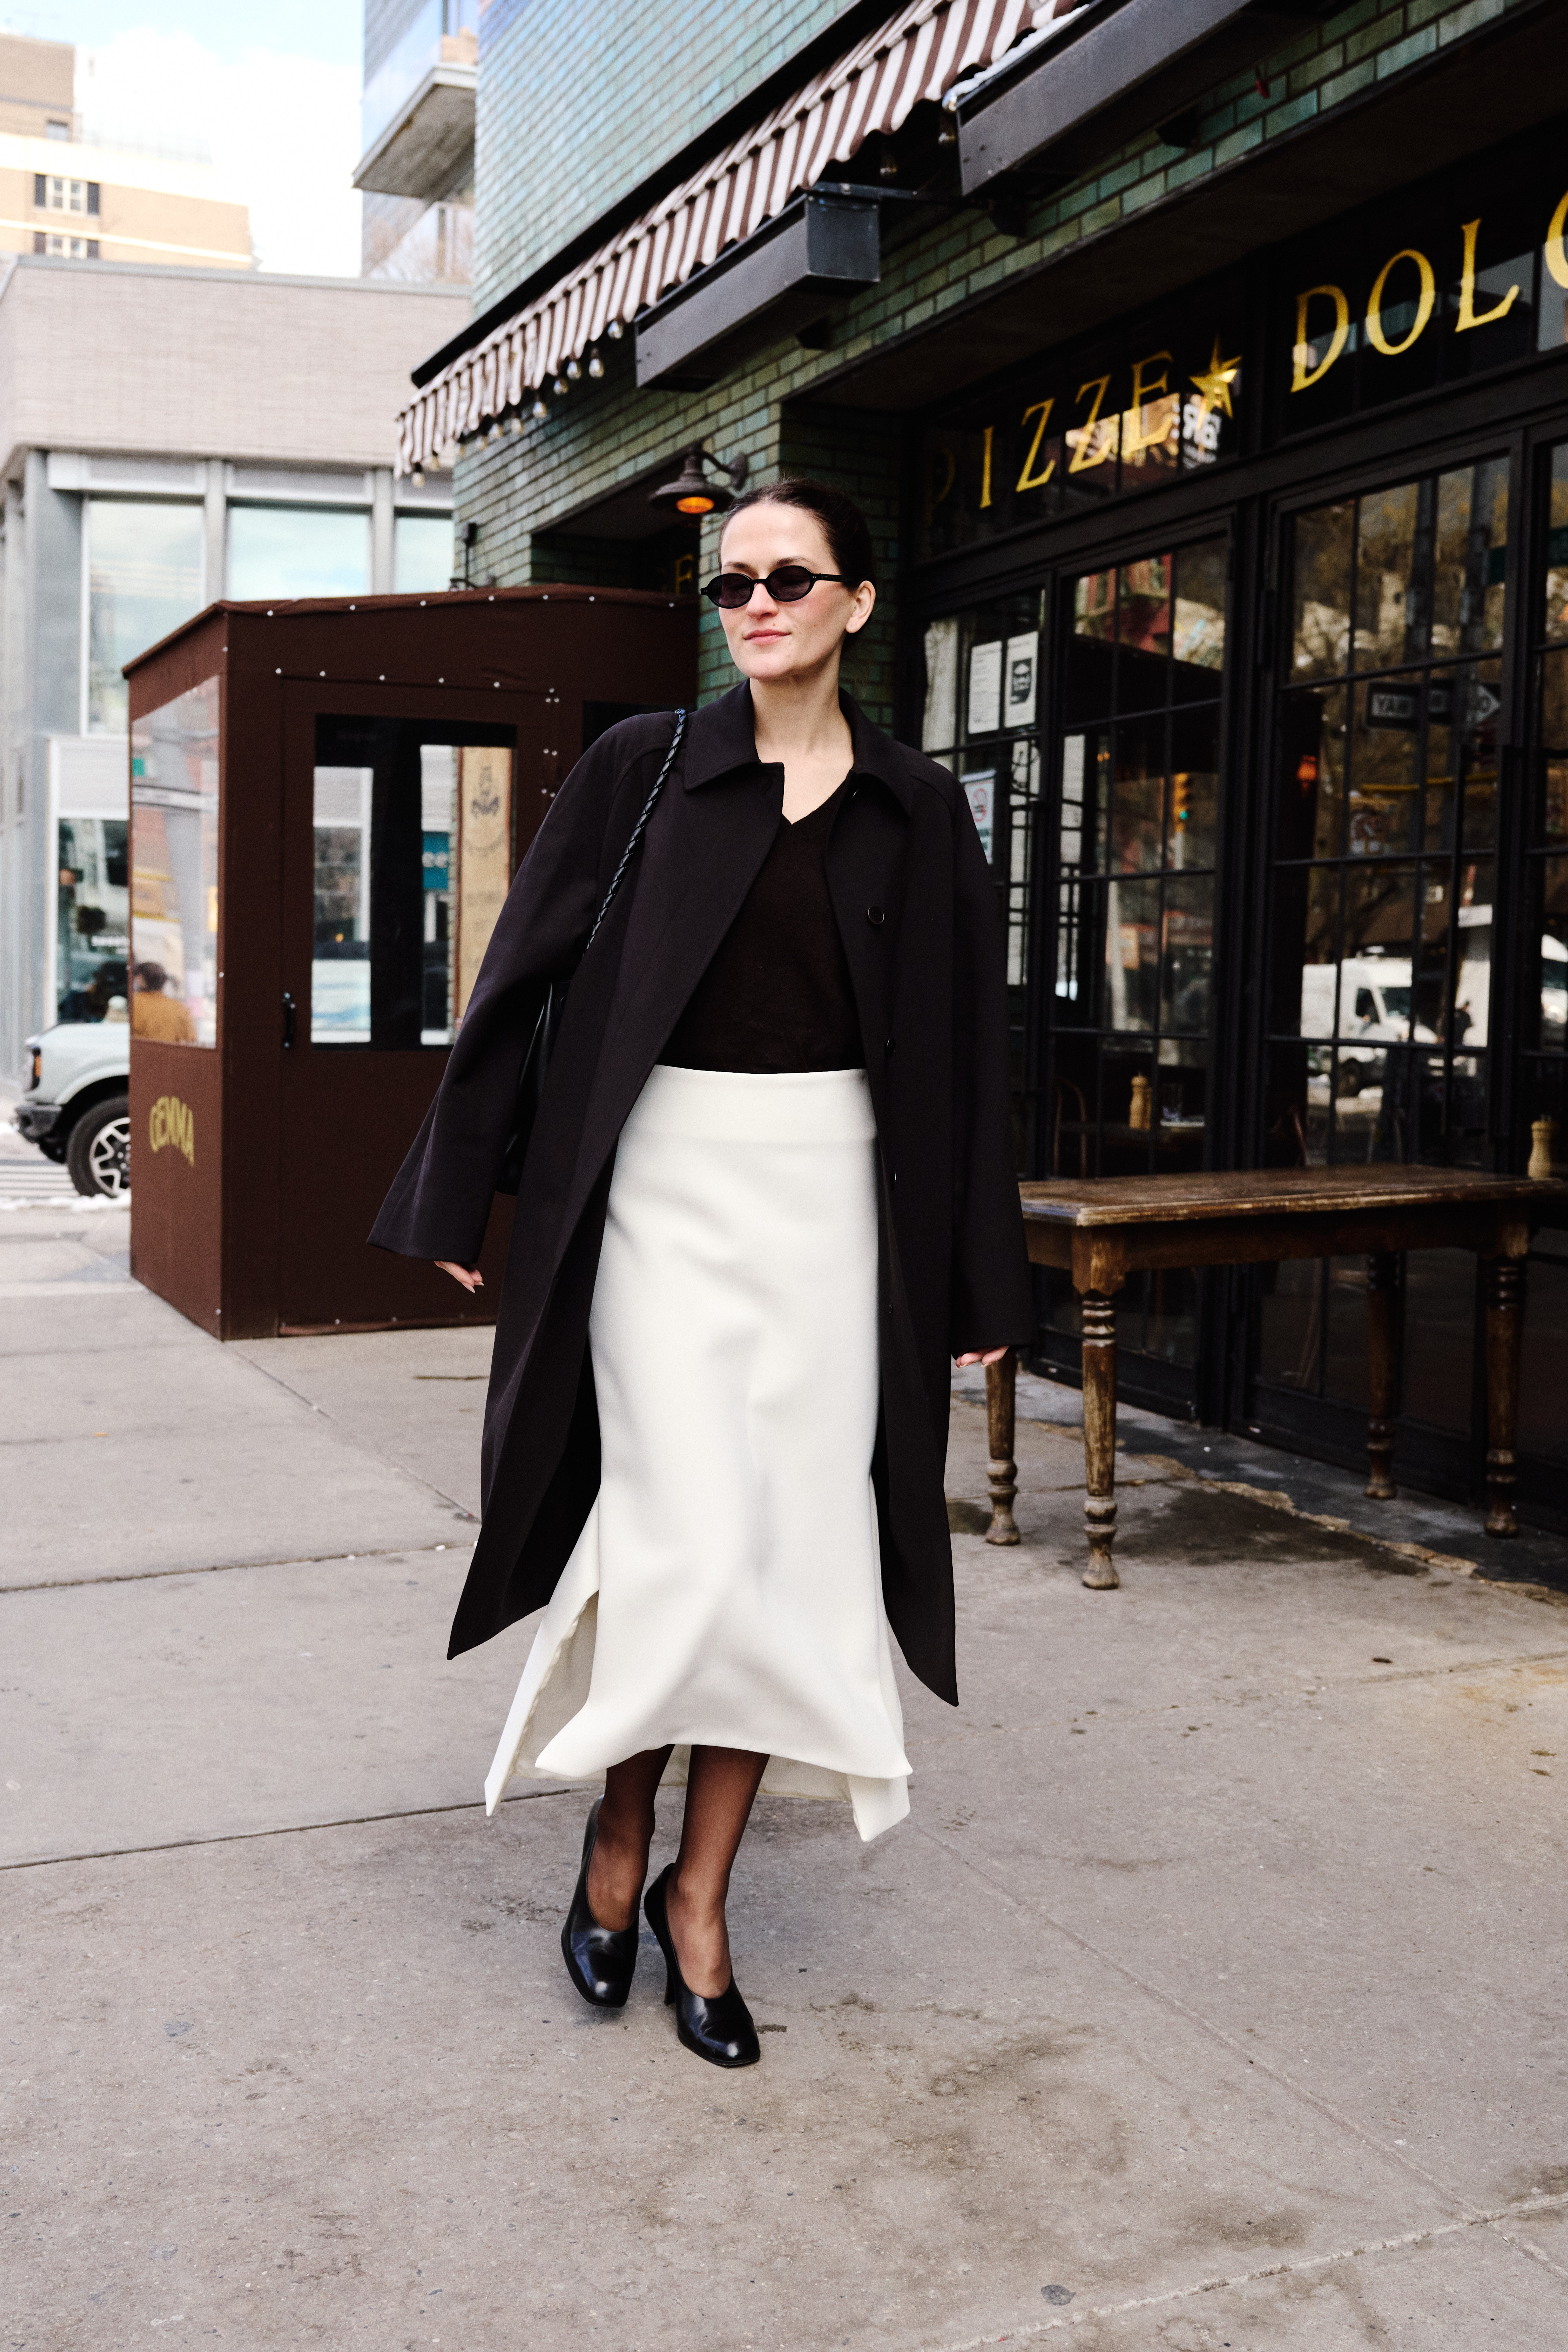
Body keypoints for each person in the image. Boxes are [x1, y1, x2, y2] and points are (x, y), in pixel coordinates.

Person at [371, 476, 1031, 2068]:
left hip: (831, 1211)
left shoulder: (916, 807)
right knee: (678, 1540)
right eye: (728, 580)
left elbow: (958, 1058)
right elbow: (519, 969)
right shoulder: (641, 767)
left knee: (789, 1556)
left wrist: (972, 1286)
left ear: (856, 602)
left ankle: (698, 1894)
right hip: (661, 1191)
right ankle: (615, 1837)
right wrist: (463, 1179)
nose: (754, 601)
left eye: (789, 575)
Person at [131, 962, 196, 1043]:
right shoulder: (180, 1008)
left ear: (140, 978)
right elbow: (192, 1041)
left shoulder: (134, 1003)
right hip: (171, 1055)